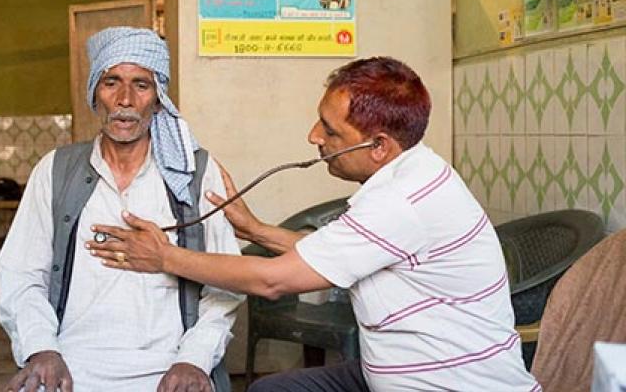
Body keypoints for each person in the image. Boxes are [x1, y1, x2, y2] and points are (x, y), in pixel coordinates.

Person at [88, 57, 539, 391]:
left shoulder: (401, 202)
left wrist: (164, 257)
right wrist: (256, 229)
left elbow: (272, 281)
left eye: (330, 130)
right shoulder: (415, 170)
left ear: (379, 146)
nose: (313, 137)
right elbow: (337, 252)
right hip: (394, 373)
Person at [0, 27, 244, 392]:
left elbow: (226, 284)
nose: (125, 99)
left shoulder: (195, 173)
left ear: (158, 99)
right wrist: (42, 349)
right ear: (94, 92)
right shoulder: (56, 170)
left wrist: (194, 359)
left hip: (170, 366)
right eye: (111, 82)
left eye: (141, 85)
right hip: (69, 363)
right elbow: (21, 274)